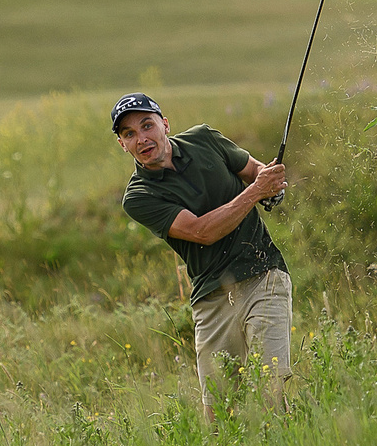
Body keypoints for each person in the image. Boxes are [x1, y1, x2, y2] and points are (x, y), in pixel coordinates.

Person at [114, 92, 291, 420]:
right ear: (123, 145)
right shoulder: (139, 196)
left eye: (147, 125)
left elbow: (253, 170)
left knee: (272, 389)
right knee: (220, 417)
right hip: (211, 298)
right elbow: (201, 232)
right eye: (129, 134)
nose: (142, 138)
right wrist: (257, 191)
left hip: (263, 273)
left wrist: (271, 184)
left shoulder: (204, 139)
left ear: (164, 124)